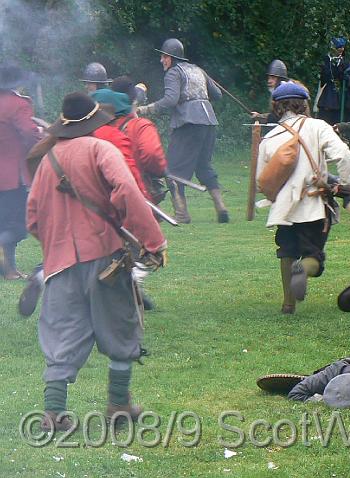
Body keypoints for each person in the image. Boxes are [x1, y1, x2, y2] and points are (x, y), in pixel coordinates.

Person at [26, 92, 167, 431]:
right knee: (120, 326)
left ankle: (54, 413)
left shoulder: (47, 161)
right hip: (105, 257)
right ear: (92, 122)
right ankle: (119, 404)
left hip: (59, 263)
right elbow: (128, 194)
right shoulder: (102, 149)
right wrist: (153, 241)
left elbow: (33, 219)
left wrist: (57, 244)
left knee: (61, 335)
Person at [256, 82, 350, 314]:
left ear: (278, 107)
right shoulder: (318, 126)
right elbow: (342, 155)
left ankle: (288, 304)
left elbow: (261, 181)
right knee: (313, 256)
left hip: (283, 209)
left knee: (286, 250)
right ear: (303, 104)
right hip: (314, 205)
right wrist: (349, 188)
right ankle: (302, 269)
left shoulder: (269, 137)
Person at [137, 38, 228, 224]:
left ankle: (181, 214)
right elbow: (217, 94)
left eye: (164, 57)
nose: (162, 60)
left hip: (188, 123)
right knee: (203, 166)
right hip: (209, 121)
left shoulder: (173, 73)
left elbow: (170, 100)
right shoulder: (197, 70)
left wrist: (145, 109)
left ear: (171, 58)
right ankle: (221, 207)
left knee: (172, 168)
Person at [0, 64, 41, 280]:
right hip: (12, 176)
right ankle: (8, 270)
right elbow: (29, 134)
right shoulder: (19, 104)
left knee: (5, 221)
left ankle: (9, 269)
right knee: (15, 224)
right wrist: (43, 137)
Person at [111, 76, 168, 204]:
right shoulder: (141, 126)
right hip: (138, 195)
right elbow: (152, 154)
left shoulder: (101, 126)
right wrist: (158, 171)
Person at [317, 37, 350, 125]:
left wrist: (344, 75)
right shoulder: (326, 59)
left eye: (343, 47)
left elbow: (348, 78)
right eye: (339, 47)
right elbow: (323, 77)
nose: (341, 49)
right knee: (325, 116)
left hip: (341, 94)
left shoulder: (345, 61)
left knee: (339, 117)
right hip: (328, 92)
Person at [251, 59, 289, 124]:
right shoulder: (277, 93)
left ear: (280, 79)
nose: (269, 81)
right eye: (269, 78)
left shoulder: (286, 94)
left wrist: (259, 116)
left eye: (273, 78)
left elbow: (278, 117)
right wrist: (259, 116)